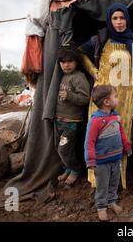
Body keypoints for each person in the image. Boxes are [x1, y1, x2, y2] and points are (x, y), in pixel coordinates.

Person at [79, 2, 133, 189]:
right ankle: (97, 182)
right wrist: (92, 70)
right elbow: (79, 53)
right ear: (110, 20)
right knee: (98, 136)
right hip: (101, 95)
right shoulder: (101, 38)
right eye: (115, 18)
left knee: (120, 136)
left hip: (124, 97)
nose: (119, 22)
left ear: (127, 19)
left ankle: (117, 181)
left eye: (122, 18)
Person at [85, 85, 132, 221]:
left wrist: (126, 146)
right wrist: (91, 160)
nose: (117, 99)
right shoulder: (95, 121)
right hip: (101, 162)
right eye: (115, 96)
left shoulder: (116, 116)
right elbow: (89, 142)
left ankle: (111, 202)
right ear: (107, 102)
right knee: (102, 185)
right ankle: (101, 207)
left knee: (113, 182)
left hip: (116, 159)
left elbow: (121, 132)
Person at [55, 46, 91, 185]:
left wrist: (69, 96)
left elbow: (85, 98)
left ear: (76, 62)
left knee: (64, 149)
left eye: (70, 61)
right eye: (63, 62)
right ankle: (68, 169)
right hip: (59, 120)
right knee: (61, 148)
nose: (66, 65)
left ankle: (76, 169)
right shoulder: (61, 76)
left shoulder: (78, 77)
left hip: (72, 121)